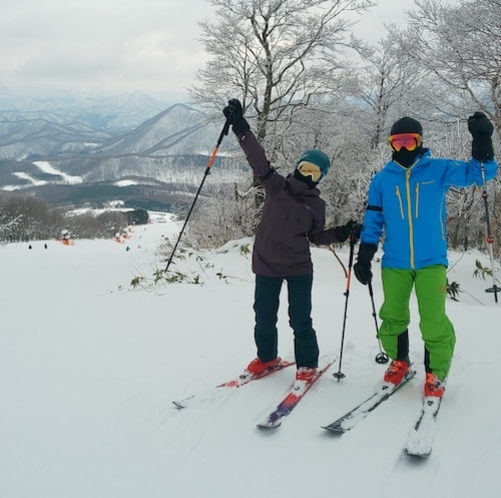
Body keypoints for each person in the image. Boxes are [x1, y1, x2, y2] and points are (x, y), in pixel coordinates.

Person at [353, 112, 498, 398]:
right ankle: (400, 361)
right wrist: (364, 255)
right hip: (394, 262)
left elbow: (482, 172)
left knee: (432, 319)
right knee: (392, 317)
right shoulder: (382, 180)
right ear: (390, 145)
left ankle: (436, 372)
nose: (404, 148)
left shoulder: (438, 170)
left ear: (420, 142)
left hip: (432, 260)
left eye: (410, 141)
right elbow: (373, 220)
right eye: (398, 142)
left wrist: (482, 140)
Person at [222, 99, 358, 383]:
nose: (307, 176)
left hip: (298, 268)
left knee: (300, 320)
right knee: (264, 317)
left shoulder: (317, 206)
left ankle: (307, 364)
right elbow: (257, 159)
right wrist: (241, 127)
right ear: (297, 166)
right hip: (267, 263)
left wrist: (343, 232)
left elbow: (317, 237)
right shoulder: (276, 186)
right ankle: (267, 357)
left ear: (321, 178)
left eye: (314, 173)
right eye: (305, 168)